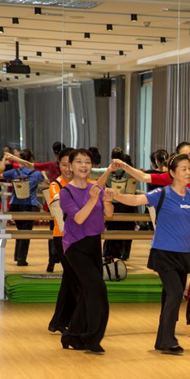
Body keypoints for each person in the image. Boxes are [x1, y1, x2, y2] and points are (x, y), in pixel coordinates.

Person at [107, 154, 190, 354]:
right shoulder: (162, 193)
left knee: (175, 294)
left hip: (183, 254)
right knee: (175, 292)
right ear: (172, 173)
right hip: (164, 252)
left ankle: (162, 340)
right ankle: (168, 340)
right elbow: (136, 199)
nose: (188, 172)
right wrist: (117, 196)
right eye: (183, 169)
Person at [58, 149, 114, 354]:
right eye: (79, 162)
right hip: (75, 246)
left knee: (88, 291)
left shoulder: (95, 188)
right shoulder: (66, 192)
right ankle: (92, 337)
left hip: (94, 243)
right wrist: (92, 199)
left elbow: (108, 214)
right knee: (98, 289)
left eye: (87, 162)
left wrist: (107, 200)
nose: (84, 166)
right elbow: (79, 218)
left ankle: (72, 335)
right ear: (70, 166)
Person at [6, 142, 65, 272]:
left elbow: (26, 166)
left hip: (51, 202)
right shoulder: (44, 171)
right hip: (53, 202)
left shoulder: (50, 165)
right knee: (64, 232)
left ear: (54, 153)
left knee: (52, 232)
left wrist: (12, 158)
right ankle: (63, 260)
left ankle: (51, 261)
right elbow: (40, 176)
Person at [47, 147, 77, 334]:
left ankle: (59, 321)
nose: (67, 169)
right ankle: (76, 320)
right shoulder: (55, 185)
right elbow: (63, 207)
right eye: (63, 165)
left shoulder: (85, 183)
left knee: (70, 278)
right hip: (63, 237)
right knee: (75, 279)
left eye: (70, 164)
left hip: (81, 238)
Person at [1, 149, 44, 266]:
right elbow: (45, 180)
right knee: (26, 232)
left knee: (20, 230)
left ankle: (18, 256)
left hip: (15, 204)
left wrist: (4, 159)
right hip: (30, 204)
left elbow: (0, 175)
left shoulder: (14, 172)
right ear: (31, 159)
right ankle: (21, 259)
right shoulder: (37, 173)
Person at [102, 153, 137, 261]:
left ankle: (110, 254)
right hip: (126, 205)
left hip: (118, 205)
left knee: (114, 230)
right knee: (124, 231)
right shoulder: (132, 174)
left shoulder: (113, 173)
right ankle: (121, 255)